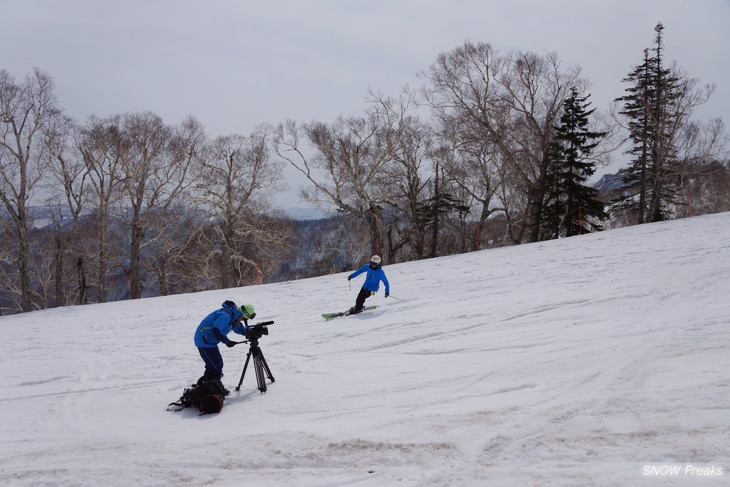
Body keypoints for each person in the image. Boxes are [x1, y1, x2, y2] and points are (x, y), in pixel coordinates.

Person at [194, 300, 256, 384]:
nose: (242, 320)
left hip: (209, 341)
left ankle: (208, 387)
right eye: (244, 318)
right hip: (204, 340)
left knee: (214, 365)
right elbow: (216, 330)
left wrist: (252, 330)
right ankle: (213, 389)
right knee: (216, 366)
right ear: (243, 314)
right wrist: (227, 341)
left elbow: (240, 329)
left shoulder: (234, 316)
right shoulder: (226, 315)